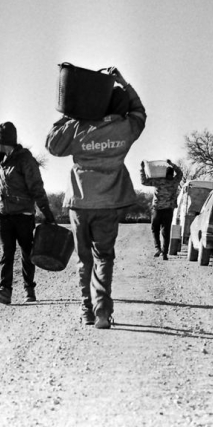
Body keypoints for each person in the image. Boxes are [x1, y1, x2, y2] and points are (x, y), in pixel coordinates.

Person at [46, 67, 146, 330]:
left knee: (84, 259)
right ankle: (102, 311)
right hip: (109, 204)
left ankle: (86, 310)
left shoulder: (80, 125)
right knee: (104, 258)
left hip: (79, 204)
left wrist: (71, 110)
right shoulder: (126, 128)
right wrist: (124, 83)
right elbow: (140, 112)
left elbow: (52, 146)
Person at [0, 121, 56, 306]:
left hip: (23, 215)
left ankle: (29, 289)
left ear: (3, 141)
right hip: (3, 215)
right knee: (6, 253)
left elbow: (36, 187)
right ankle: (5, 291)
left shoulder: (25, 160)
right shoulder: (0, 161)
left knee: (27, 252)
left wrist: (47, 212)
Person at [140, 159, 183, 260]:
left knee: (155, 228)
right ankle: (164, 253)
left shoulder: (159, 181)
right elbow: (180, 173)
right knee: (166, 231)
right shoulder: (175, 182)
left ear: (165, 173)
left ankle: (158, 248)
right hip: (169, 210)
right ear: (172, 174)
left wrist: (142, 169)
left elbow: (144, 181)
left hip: (158, 209)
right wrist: (172, 164)